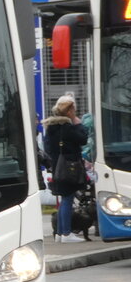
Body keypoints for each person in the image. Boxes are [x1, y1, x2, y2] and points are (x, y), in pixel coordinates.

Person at [42, 94, 89, 243]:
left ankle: (60, 234)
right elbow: (83, 139)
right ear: (69, 111)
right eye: (73, 109)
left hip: (57, 167)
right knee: (67, 199)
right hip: (70, 168)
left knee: (64, 199)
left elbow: (48, 148)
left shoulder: (51, 128)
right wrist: (78, 124)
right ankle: (67, 233)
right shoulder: (68, 127)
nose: (75, 111)